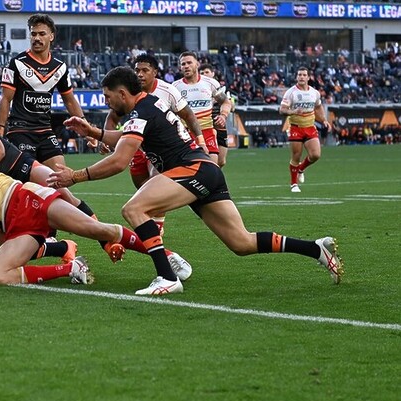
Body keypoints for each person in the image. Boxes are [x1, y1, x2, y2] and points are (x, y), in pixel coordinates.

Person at [48, 66, 343, 295]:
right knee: (241, 243)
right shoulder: (148, 106)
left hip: (192, 170)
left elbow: (119, 161)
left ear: (123, 93)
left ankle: (167, 277)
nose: (108, 103)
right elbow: (125, 139)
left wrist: (74, 176)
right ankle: (315, 249)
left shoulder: (141, 111)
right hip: (205, 170)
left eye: (108, 97)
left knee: (134, 209)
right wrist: (94, 132)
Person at [0, 97, 173, 269]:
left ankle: (106, 241)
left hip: (12, 164)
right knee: (10, 250)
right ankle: (63, 247)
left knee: (64, 193)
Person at [0, 157, 170, 285]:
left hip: (28, 198)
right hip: (14, 227)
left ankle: (166, 257)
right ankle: (71, 267)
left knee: (96, 229)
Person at [99, 53, 206, 236]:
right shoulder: (128, 92)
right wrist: (103, 137)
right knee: (142, 186)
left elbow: (188, 115)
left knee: (156, 181)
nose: (140, 74)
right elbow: (113, 116)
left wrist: (200, 139)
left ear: (155, 72)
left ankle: (157, 227)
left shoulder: (167, 90)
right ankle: (153, 217)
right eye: (137, 70)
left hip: (162, 146)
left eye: (145, 70)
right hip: (135, 143)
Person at [0, 14, 85, 170]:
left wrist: (86, 127)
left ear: (51, 36)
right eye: (33, 33)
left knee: (60, 176)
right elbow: (5, 99)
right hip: (20, 131)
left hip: (45, 131)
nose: (36, 38)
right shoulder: (16, 63)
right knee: (28, 180)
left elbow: (70, 101)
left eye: (41, 34)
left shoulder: (60, 67)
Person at [174, 52, 233, 166]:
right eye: (183, 64)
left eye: (189, 63)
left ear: (197, 64)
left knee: (213, 167)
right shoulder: (175, 87)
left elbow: (225, 101)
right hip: (186, 134)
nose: (186, 66)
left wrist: (223, 115)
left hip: (207, 131)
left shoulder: (210, 83)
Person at [279, 66, 331, 193]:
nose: (301, 77)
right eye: (299, 75)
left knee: (315, 155)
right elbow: (282, 110)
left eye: (304, 75)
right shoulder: (291, 93)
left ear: (308, 77)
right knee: (296, 156)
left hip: (309, 127)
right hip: (296, 127)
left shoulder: (314, 93)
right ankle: (293, 184)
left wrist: (324, 120)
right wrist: (293, 111)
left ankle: (301, 169)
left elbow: (318, 107)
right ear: (297, 77)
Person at [199, 63, 234, 167]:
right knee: (209, 159)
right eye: (202, 73)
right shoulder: (199, 90)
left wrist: (220, 103)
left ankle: (214, 178)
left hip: (219, 126)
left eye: (207, 72)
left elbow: (231, 107)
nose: (204, 74)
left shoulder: (220, 89)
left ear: (212, 73)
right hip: (205, 126)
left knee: (221, 161)